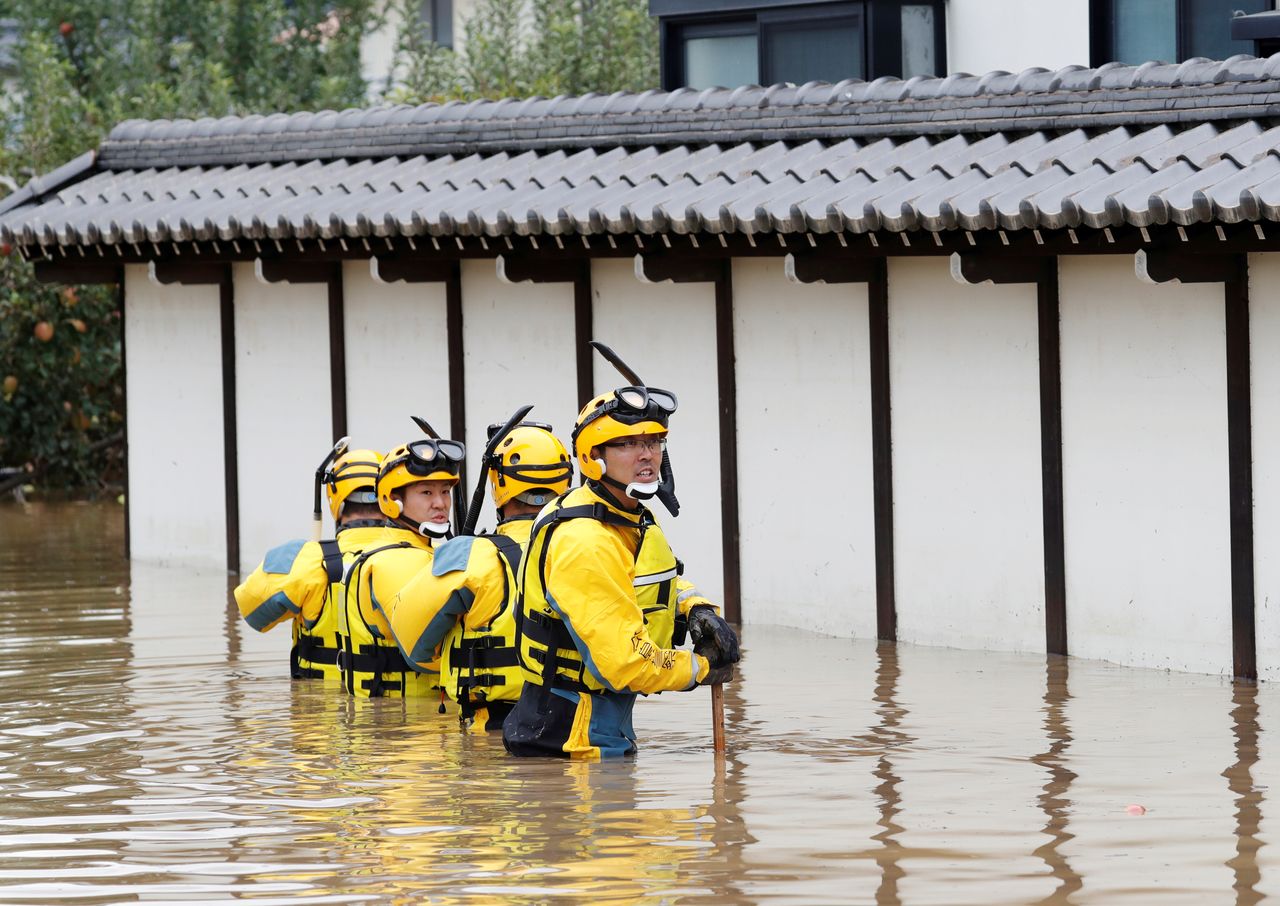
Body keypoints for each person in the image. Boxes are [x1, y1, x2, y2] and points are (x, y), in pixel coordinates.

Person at [503, 386, 740, 759]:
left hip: (598, 732)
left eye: (654, 441)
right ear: (593, 456)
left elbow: (654, 580)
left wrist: (696, 608)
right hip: (568, 741)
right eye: (628, 443)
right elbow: (625, 664)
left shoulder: (629, 516)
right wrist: (700, 667)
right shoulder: (584, 540)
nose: (647, 454)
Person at [386, 422, 574, 732]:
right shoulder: (596, 544)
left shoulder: (472, 556)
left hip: (495, 729)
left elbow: (413, 646)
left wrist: (457, 659)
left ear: (498, 485)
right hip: (581, 724)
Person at [234, 448, 389, 683]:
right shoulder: (421, 556)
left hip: (319, 710)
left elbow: (253, 613)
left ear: (335, 501)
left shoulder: (306, 559)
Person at [339, 435, 465, 698]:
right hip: (411, 726)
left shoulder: (419, 552)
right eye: (426, 492)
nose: (441, 503)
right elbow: (424, 651)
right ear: (392, 501)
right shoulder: (393, 561)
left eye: (445, 491)